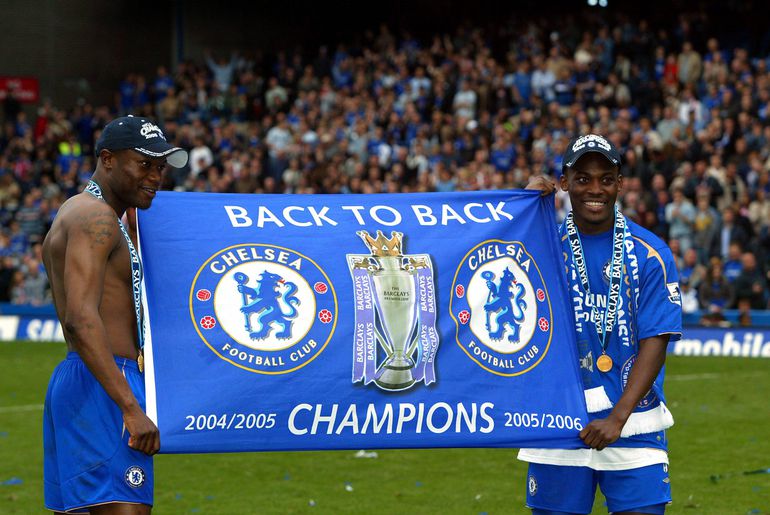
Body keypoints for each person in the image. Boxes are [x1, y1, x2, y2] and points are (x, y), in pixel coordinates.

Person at [522, 134, 682, 515]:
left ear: (620, 184)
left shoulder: (650, 253)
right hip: (556, 423)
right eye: (583, 178)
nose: (595, 189)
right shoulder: (539, 248)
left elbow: (656, 340)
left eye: (605, 179)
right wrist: (526, 209)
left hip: (634, 424)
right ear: (564, 182)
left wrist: (618, 418)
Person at [42, 115, 188, 513]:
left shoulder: (81, 212)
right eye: (144, 164)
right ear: (107, 159)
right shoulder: (96, 218)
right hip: (107, 384)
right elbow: (81, 317)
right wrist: (129, 406)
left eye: (160, 167)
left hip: (80, 380)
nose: (156, 176)